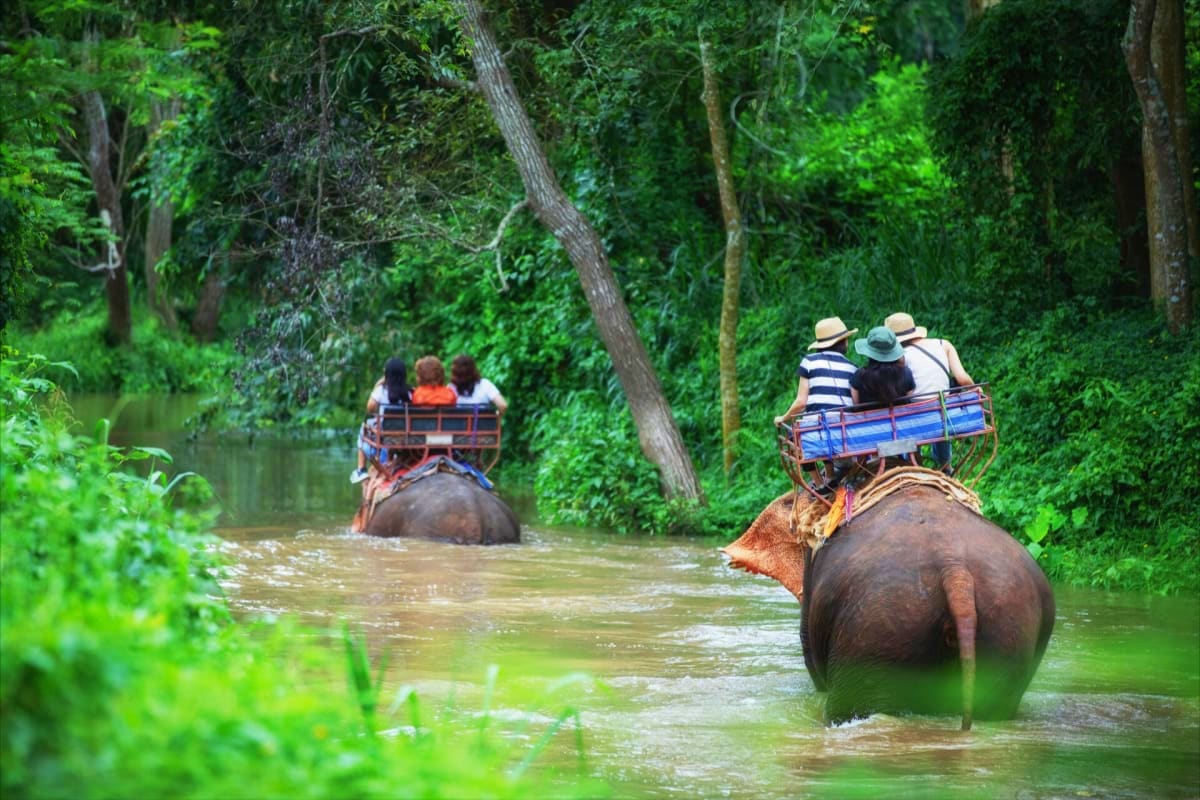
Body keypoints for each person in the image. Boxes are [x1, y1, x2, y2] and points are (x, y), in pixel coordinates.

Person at [885, 312, 975, 471]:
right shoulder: (943, 344)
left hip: (913, 417)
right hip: (942, 413)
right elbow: (962, 379)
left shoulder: (899, 357)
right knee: (940, 410)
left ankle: (912, 464)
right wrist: (976, 389)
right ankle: (946, 466)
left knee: (908, 416)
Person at [773, 316, 859, 426]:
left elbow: (801, 403)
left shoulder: (809, 362)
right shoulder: (853, 368)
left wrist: (783, 418)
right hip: (846, 427)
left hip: (816, 427)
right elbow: (855, 406)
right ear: (845, 342)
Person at [351, 357, 411, 483]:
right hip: (406, 432)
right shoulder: (410, 392)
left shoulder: (381, 390)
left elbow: (369, 408)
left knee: (364, 427)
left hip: (386, 433)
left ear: (386, 374)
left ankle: (361, 469)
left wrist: (378, 384)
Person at [850, 326, 915, 406]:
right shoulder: (906, 373)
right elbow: (908, 402)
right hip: (899, 418)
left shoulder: (859, 375)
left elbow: (855, 406)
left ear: (869, 351)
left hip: (870, 418)